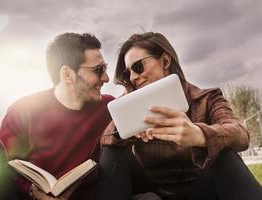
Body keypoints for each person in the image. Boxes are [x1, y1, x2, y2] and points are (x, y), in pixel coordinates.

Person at [96, 32, 262, 200]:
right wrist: (125, 124)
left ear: (165, 60)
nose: (133, 77)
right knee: (112, 153)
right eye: (127, 73)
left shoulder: (208, 98)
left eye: (138, 67)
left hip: (201, 186)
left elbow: (240, 133)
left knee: (224, 155)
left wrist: (200, 135)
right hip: (152, 189)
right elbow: (105, 141)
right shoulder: (130, 107)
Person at [0, 32, 113, 200]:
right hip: (24, 198)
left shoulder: (109, 108)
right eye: (98, 70)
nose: (106, 78)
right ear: (67, 75)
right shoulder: (23, 110)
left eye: (105, 68)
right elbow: (4, 170)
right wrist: (32, 191)